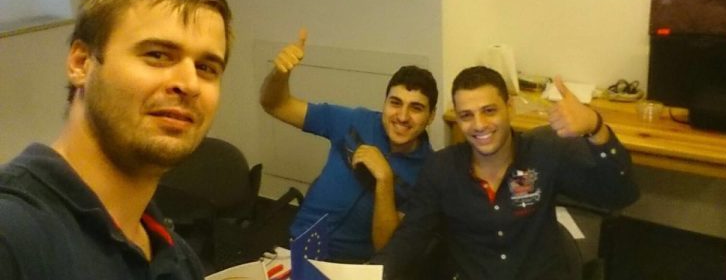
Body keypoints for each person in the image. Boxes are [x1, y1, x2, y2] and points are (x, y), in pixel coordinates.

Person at [0, 0, 233, 280]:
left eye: (206, 68)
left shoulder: (175, 256)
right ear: (81, 63)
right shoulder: (13, 237)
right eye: (157, 55)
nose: (189, 84)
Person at [378, 66, 639, 280]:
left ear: (509, 107)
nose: (479, 125)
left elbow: (621, 194)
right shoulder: (442, 168)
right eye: (466, 115)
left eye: (489, 111)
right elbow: (410, 239)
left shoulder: (544, 153)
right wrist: (370, 274)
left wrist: (595, 127)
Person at [259, 29, 438, 262]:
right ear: (384, 103)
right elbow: (276, 105)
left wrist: (384, 180)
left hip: (353, 267)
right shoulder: (354, 121)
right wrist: (279, 74)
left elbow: (387, 249)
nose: (402, 117)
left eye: (416, 108)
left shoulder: (430, 172)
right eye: (395, 103)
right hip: (297, 248)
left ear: (431, 116)